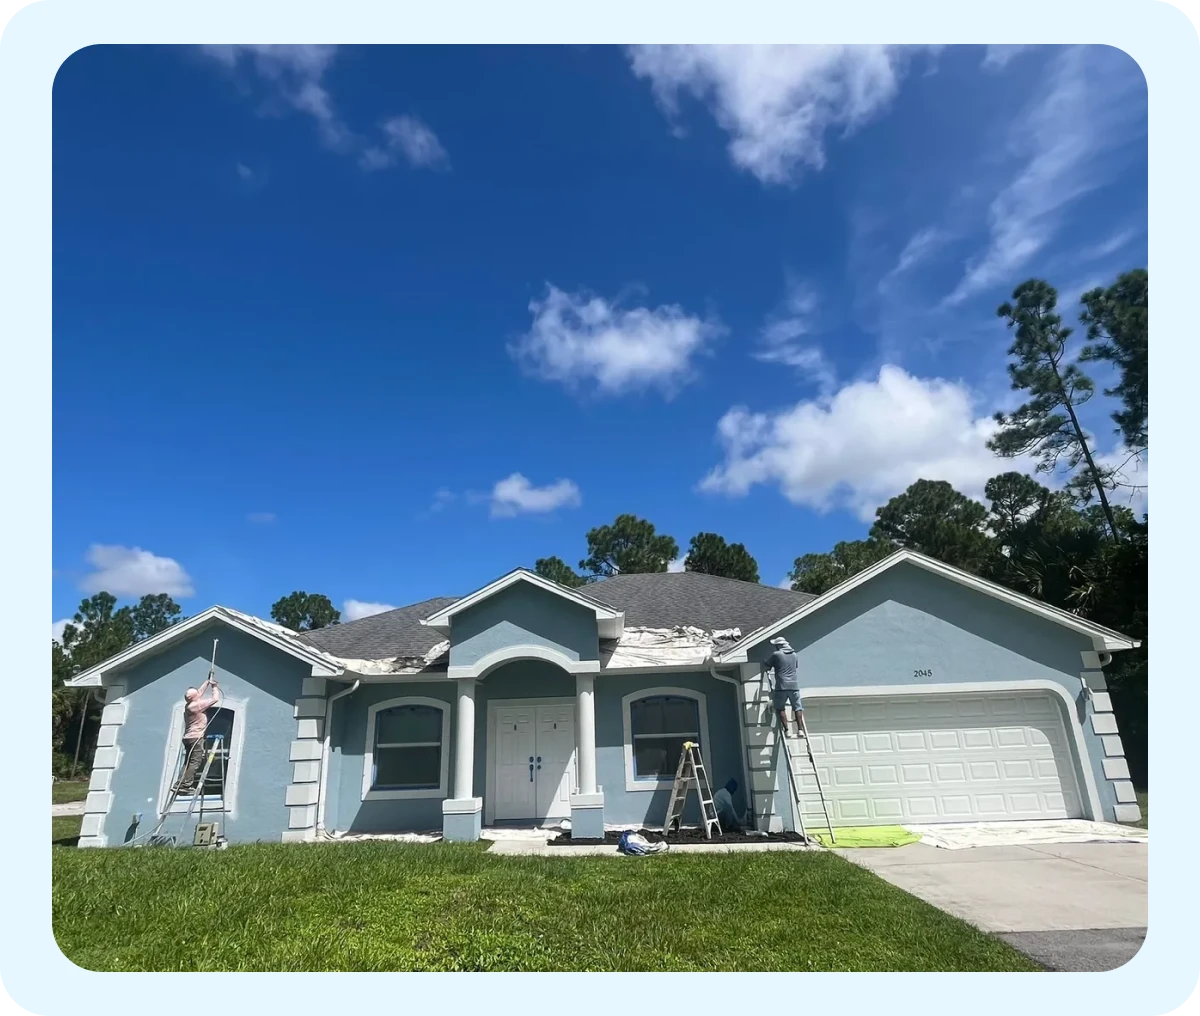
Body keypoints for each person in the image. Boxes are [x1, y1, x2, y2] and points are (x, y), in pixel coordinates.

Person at [173, 675, 221, 794]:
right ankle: (185, 785)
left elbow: (198, 693)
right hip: (196, 738)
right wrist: (214, 687)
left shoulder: (189, 704)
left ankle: (179, 783)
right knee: (195, 762)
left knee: (188, 762)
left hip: (188, 738)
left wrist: (207, 682)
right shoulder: (196, 706)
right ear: (194, 698)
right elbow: (215, 699)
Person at [766, 636, 803, 737]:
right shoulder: (794, 655)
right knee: (797, 707)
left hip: (782, 686)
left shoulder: (776, 654)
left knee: (780, 708)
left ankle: (786, 730)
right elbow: (795, 667)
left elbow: (767, 665)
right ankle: (800, 729)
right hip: (794, 685)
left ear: (779, 646)